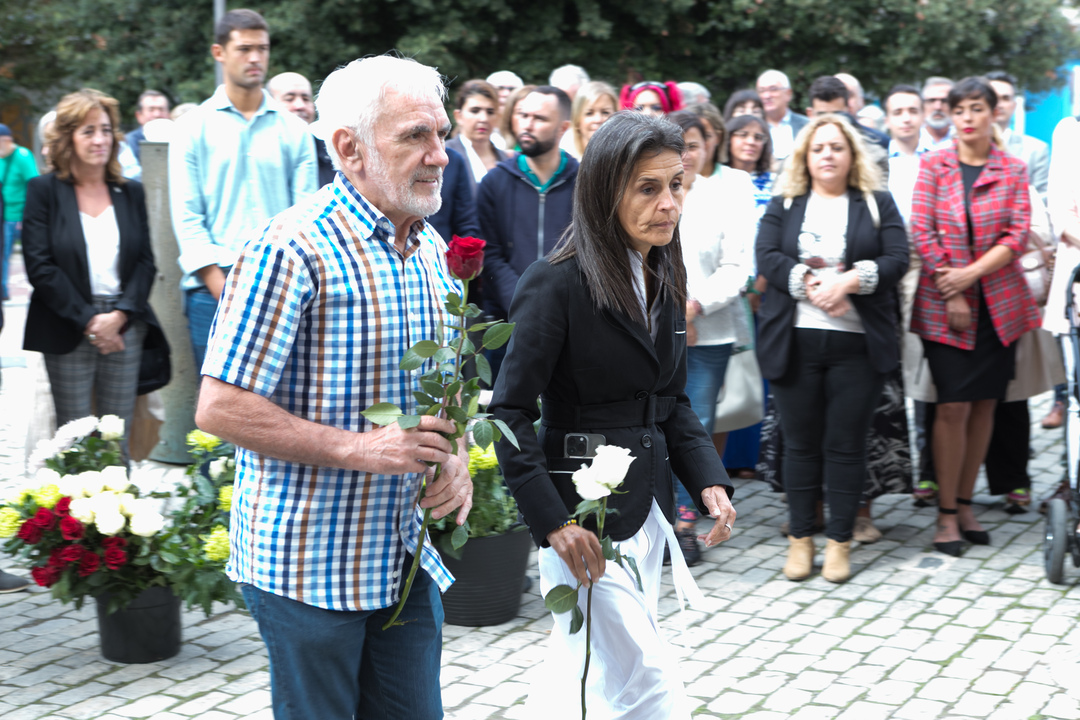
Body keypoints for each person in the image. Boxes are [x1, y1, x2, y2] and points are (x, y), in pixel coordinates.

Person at [195, 55, 472, 719]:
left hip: (401, 556)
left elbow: (447, 381)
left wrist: (457, 455)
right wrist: (360, 449)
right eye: (416, 136)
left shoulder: (431, 249)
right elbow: (219, 406)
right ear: (349, 148)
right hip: (307, 566)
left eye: (441, 134)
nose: (440, 155)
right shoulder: (291, 246)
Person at [489, 111, 735, 718]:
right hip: (581, 521)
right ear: (605, 191)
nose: (668, 204)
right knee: (647, 676)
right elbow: (508, 412)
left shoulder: (665, 271)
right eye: (648, 188)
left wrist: (708, 479)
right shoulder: (554, 283)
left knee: (592, 671)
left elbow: (669, 400)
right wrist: (553, 522)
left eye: (675, 184)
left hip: (646, 511)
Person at [756, 114, 908, 582]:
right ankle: (801, 539)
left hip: (857, 346)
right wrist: (811, 283)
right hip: (795, 342)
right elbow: (767, 255)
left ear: (851, 155)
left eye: (836, 147)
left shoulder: (877, 201)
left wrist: (848, 282)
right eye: (818, 147)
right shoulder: (785, 202)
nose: (827, 155)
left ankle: (840, 541)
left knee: (846, 446)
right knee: (800, 446)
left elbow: (897, 258)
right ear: (805, 156)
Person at [910, 77, 1039, 556]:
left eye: (976, 108)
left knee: (986, 405)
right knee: (952, 406)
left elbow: (1017, 234)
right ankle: (945, 515)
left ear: (993, 113)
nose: (966, 117)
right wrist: (955, 287)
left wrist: (971, 276)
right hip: (943, 305)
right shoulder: (934, 164)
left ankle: (965, 505)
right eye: (959, 109)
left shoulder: (1012, 167)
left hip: (1000, 306)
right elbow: (921, 229)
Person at [169, 8, 317, 370]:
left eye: (262, 49)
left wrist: (280, 286)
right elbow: (187, 217)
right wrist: (221, 287)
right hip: (212, 291)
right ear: (219, 52)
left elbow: (305, 217)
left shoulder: (295, 131)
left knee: (284, 399)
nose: (255, 58)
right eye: (244, 49)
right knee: (216, 403)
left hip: (283, 288)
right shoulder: (191, 128)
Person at [22, 89, 159, 460]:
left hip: (124, 324)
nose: (100, 140)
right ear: (67, 138)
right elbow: (40, 265)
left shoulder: (130, 192)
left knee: (116, 435)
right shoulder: (43, 190)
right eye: (88, 131)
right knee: (74, 438)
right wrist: (91, 321)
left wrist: (119, 317)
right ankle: (74, 501)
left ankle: (121, 497)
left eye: (106, 130)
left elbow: (146, 262)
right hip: (67, 322)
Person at [668, 110, 755, 564]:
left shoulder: (725, 197)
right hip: (652, 327)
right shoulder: (646, 189)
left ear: (708, 148)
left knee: (696, 424)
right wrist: (669, 312)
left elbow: (737, 267)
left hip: (711, 332)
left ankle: (684, 522)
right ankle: (654, 515)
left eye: (693, 145)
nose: (685, 154)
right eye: (677, 145)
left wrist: (695, 306)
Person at [477, 86, 578, 324]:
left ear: (562, 128)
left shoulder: (585, 182)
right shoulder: (494, 182)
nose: (527, 125)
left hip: (569, 319)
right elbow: (490, 254)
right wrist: (524, 303)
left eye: (539, 118)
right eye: (523, 115)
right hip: (507, 321)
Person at [1039, 114, 1080, 512]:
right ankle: (1075, 483)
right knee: (1078, 395)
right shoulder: (1070, 132)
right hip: (1078, 286)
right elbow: (1062, 216)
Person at [267, 71, 335, 188]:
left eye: (306, 99)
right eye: (289, 99)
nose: (300, 106)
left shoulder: (330, 156)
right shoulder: (260, 156)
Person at [446, 79, 507, 196]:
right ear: (458, 116)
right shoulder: (445, 155)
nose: (483, 119)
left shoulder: (505, 159)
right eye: (475, 111)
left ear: (498, 117)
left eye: (490, 112)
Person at [0, 123, 40, 301]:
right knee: (3, 256)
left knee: (33, 256)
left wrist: (28, 215)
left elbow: (35, 186)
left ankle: (39, 290)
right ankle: (2, 291)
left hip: (21, 216)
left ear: (7, 140)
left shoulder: (23, 156)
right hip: (4, 216)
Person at [725, 113, 776, 224]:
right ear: (728, 139)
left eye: (758, 137)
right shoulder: (715, 179)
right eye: (743, 135)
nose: (751, 142)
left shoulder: (776, 183)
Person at [756, 69, 808, 162]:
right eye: (762, 91)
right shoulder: (755, 128)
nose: (767, 95)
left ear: (788, 94)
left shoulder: (806, 125)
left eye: (773, 89)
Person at [567, 80, 618, 159]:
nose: (598, 119)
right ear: (577, 120)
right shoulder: (564, 160)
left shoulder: (625, 158)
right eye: (589, 113)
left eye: (605, 112)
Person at [125, 90, 170, 165]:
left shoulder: (179, 139)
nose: (157, 114)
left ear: (168, 114)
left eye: (161, 109)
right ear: (139, 116)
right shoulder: (128, 142)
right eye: (151, 110)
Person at [486, 70, 524, 150]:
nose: (506, 94)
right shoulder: (478, 131)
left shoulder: (526, 131)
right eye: (500, 88)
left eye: (512, 89)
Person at [686, 102, 726, 178]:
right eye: (692, 137)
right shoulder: (670, 179)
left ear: (718, 137)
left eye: (705, 136)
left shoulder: (736, 179)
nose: (700, 144)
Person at [498, 84, 536, 157]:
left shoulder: (558, 156)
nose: (529, 123)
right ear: (509, 117)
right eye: (523, 114)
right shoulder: (497, 153)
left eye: (537, 116)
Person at [920, 77, 955, 152]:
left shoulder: (964, 139)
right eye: (932, 100)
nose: (938, 107)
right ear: (922, 105)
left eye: (945, 101)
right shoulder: (911, 139)